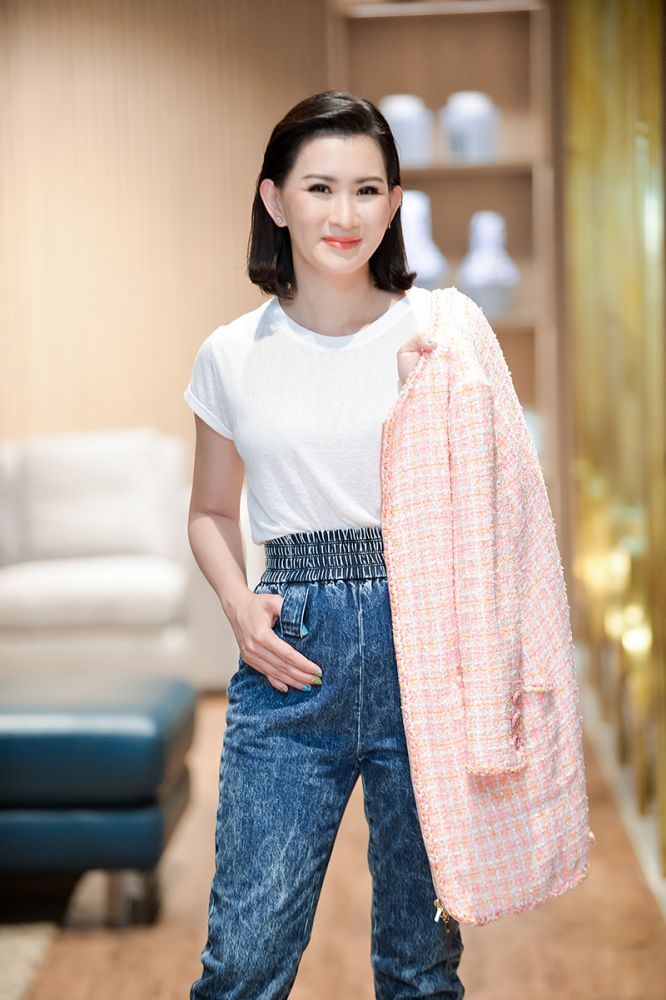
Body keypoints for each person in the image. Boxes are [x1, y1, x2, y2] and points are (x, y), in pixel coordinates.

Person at [184, 89, 465, 1000]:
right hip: (290, 653)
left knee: (422, 968)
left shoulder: (441, 335)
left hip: (425, 650)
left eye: (367, 189)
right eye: (319, 188)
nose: (345, 214)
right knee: (243, 963)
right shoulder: (231, 353)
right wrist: (240, 610)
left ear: (394, 203)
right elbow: (211, 511)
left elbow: (488, 503)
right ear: (274, 199)